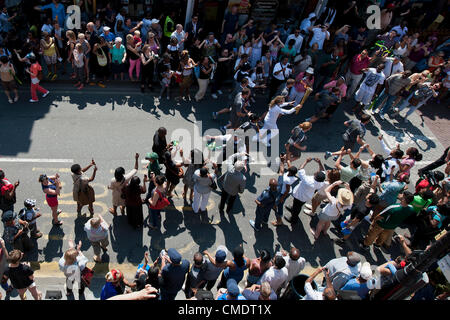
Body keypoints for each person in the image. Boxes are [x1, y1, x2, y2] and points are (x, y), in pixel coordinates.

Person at [285, 158, 326, 224]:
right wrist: (319, 163)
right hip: (306, 197)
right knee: (297, 205)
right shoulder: (321, 182)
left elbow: (300, 169)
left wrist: (306, 161)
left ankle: (293, 219)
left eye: (317, 172)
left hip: (299, 196)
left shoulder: (307, 180)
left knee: (297, 208)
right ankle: (293, 209)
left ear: (315, 175)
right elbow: (323, 171)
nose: (317, 171)